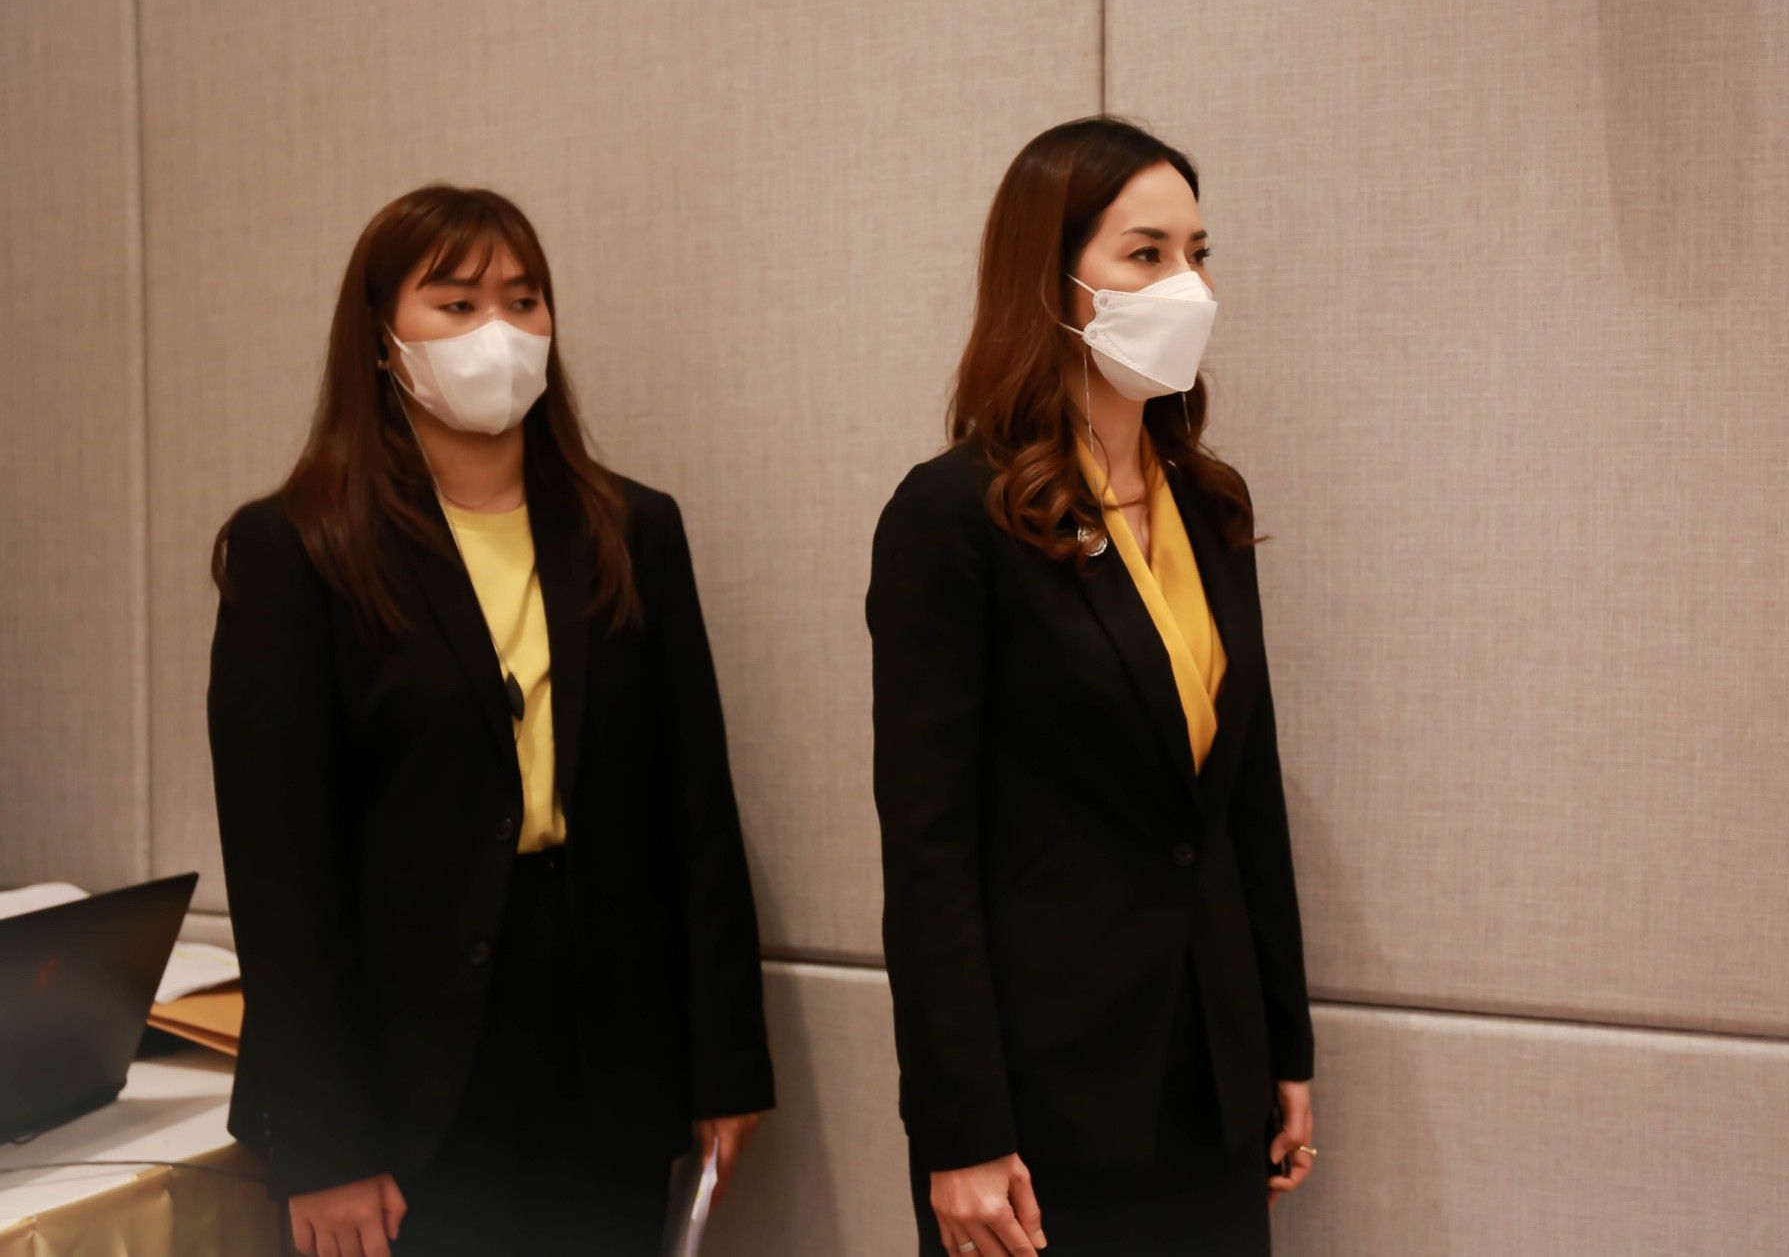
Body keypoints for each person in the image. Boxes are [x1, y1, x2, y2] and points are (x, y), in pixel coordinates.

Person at [207, 185, 773, 1256]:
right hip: (401, 1072)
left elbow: (694, 815)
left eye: (522, 300)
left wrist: (725, 1067)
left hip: (606, 1046)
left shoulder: (632, 530)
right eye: (457, 305)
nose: (498, 333)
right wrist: (326, 1145)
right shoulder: (298, 552)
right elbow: (282, 877)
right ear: (381, 342)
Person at [868, 117, 1317, 1257]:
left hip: (1211, 1076)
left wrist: (1284, 1046)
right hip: (1039, 1105)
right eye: (1145, 254)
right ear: (1049, 280)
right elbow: (927, 854)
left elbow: (1244, 799)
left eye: (1197, 253)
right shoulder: (952, 517)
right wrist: (960, 1132)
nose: (1187, 286)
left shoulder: (1207, 500)